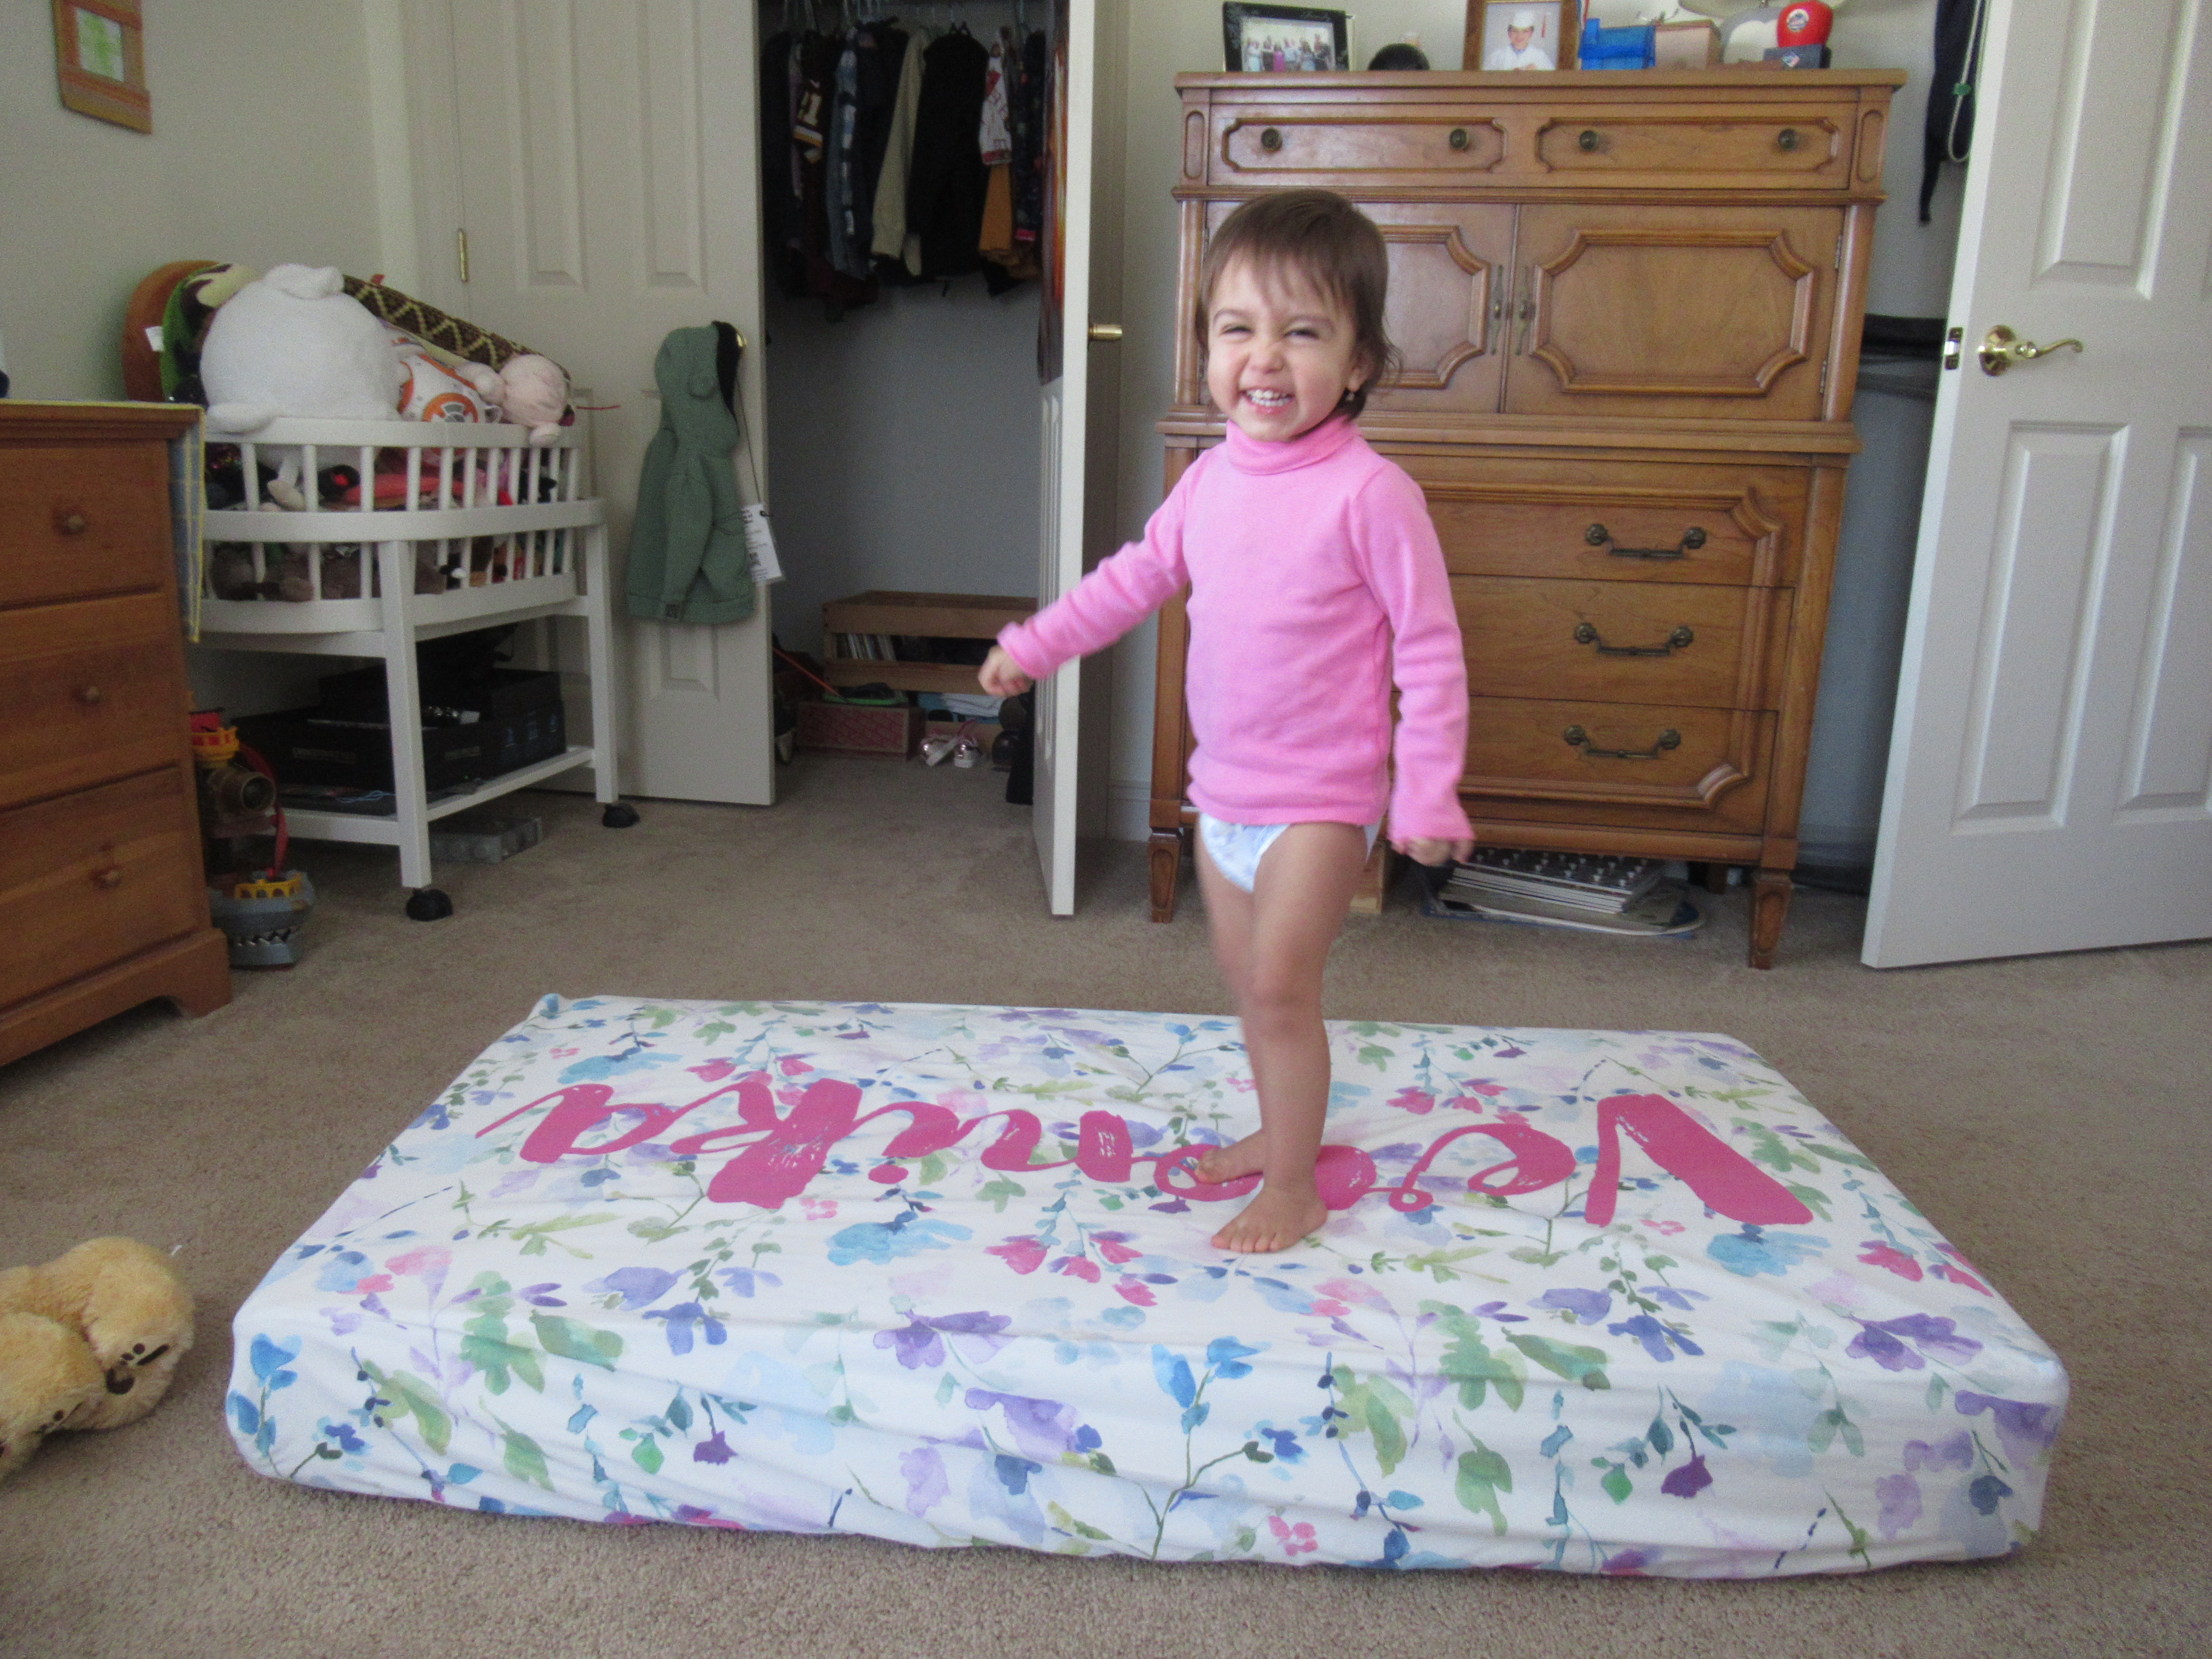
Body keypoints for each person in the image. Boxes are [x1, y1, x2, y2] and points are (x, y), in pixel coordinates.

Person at [978, 191, 1474, 1254]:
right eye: (1237, 328)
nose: (1264, 358)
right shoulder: (1206, 480)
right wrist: (1037, 645)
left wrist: (1429, 791)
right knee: (1250, 991)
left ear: (1359, 362)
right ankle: (1278, 1129)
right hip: (1225, 795)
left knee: (1282, 990)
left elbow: (1430, 652)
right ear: (1206, 344)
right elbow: (1130, 580)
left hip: (1320, 801)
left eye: (1304, 332)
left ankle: (1294, 1186)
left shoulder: (1372, 495)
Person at [1484, 8, 1555, 70]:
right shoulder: (1498, 55)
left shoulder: (1540, 56)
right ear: (1509, 32)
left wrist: (1537, 72)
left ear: (1531, 33)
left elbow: (1553, 79)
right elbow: (1484, 78)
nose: (1520, 36)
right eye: (1515, 31)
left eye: (1525, 31)